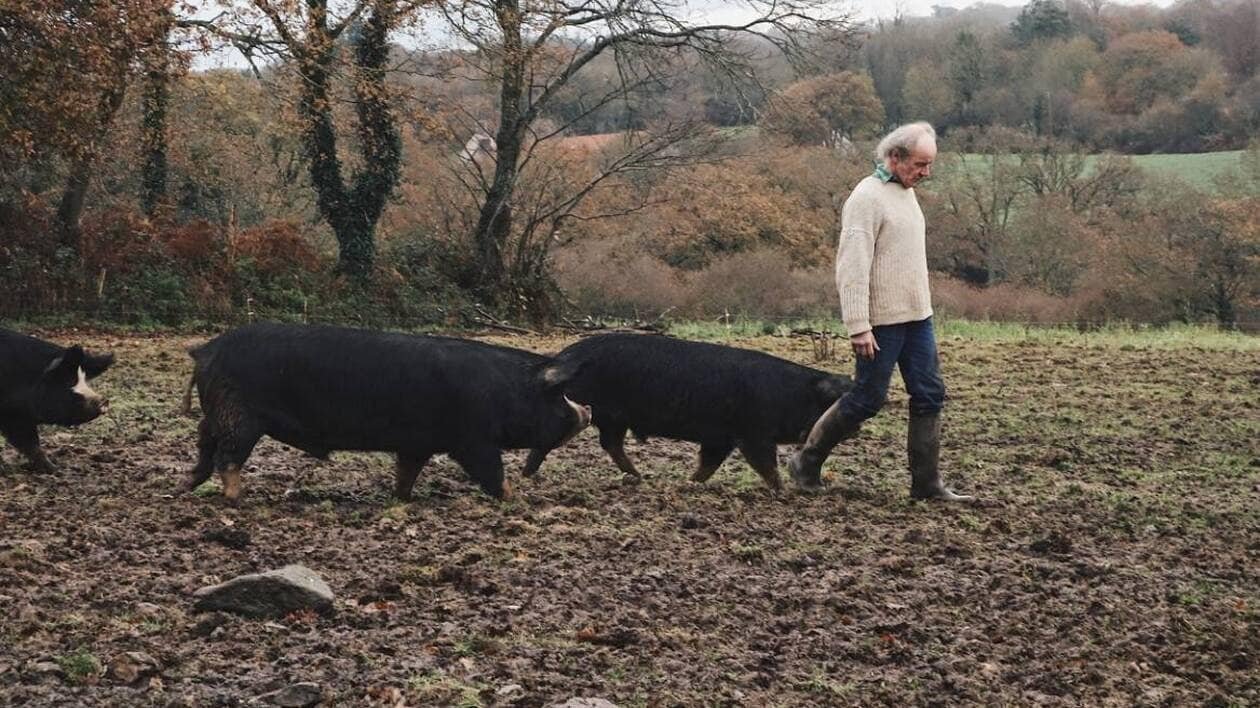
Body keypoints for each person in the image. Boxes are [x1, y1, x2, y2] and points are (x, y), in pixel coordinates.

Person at [788, 122, 973, 502]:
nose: (925, 173)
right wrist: (858, 326)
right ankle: (806, 462)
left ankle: (927, 485)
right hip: (881, 322)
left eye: (929, 165)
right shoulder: (866, 198)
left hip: (917, 317)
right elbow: (851, 267)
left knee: (929, 394)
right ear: (895, 157)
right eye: (920, 164)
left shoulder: (906, 193)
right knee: (868, 398)